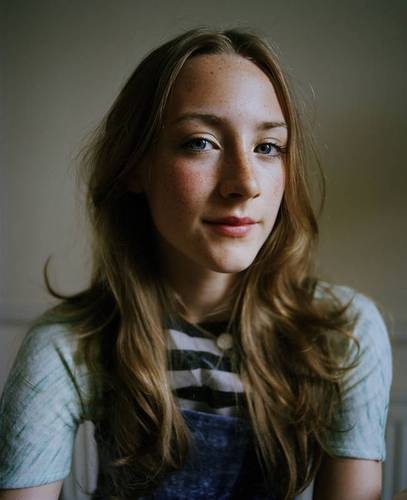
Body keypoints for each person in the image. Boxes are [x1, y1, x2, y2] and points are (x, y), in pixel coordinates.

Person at [0, 28, 392, 500]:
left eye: (268, 147)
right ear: (135, 166)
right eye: (200, 142)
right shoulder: (68, 346)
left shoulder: (343, 332)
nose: (245, 184)